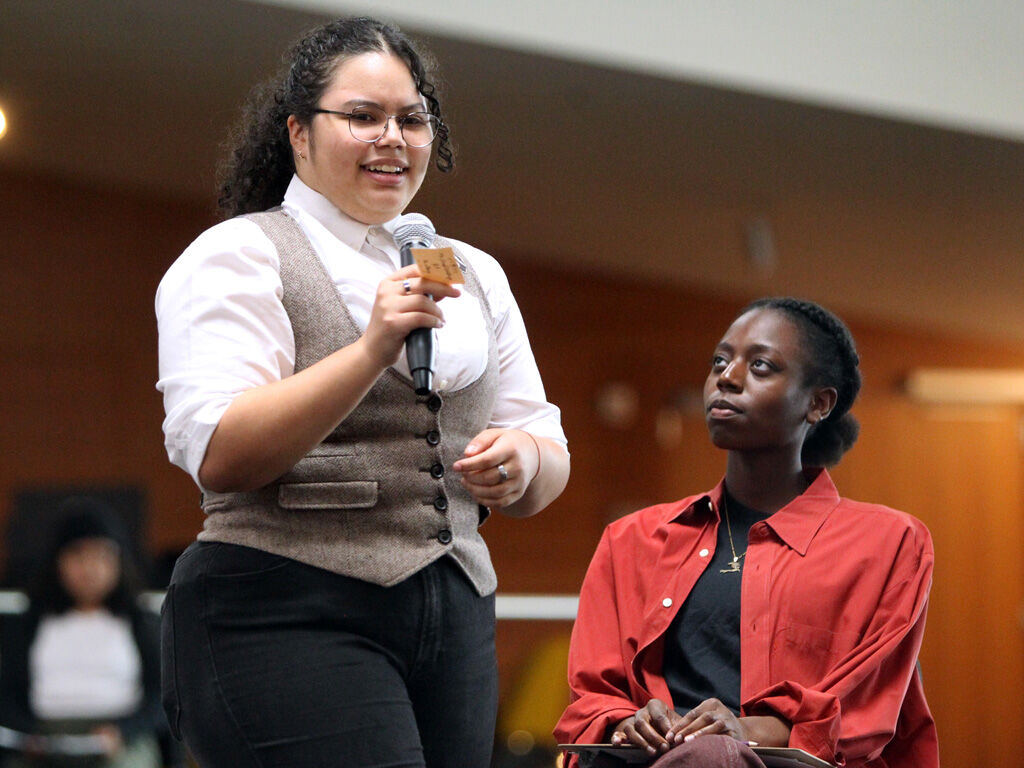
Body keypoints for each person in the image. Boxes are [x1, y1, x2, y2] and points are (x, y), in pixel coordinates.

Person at [155, 16, 569, 768]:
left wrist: (523, 463)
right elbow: (220, 452)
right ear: (299, 134)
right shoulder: (239, 255)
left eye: (412, 119)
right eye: (362, 116)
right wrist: (374, 346)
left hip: (455, 614)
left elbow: (545, 440)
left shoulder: (466, 269)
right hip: (281, 608)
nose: (392, 137)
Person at [554, 298, 937, 768]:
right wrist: (623, 721)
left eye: (760, 365)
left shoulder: (890, 542)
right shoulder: (630, 538)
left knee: (712, 756)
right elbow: (592, 694)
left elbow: (867, 701)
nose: (727, 378)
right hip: (650, 762)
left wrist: (743, 731)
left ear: (818, 403)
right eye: (720, 361)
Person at [0, 499, 163, 768]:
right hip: (44, 736)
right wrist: (30, 735)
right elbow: (7, 695)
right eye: (78, 555)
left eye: (101, 555)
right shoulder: (28, 623)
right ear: (57, 562)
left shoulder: (142, 623)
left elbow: (161, 700)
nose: (89, 568)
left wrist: (122, 730)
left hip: (120, 738)